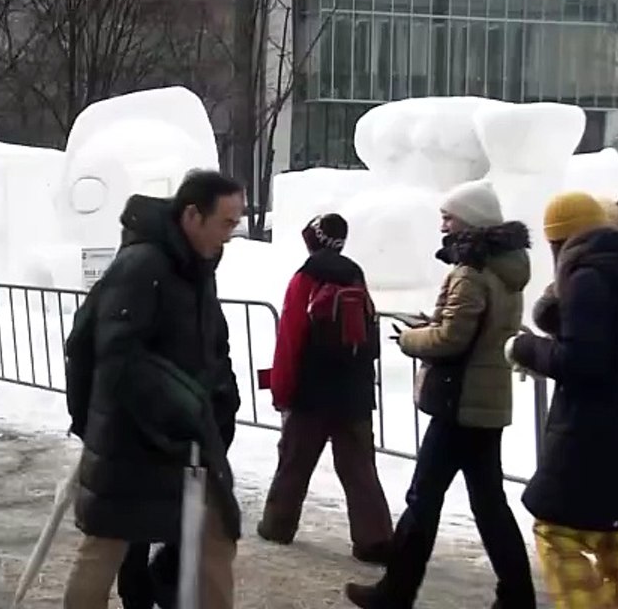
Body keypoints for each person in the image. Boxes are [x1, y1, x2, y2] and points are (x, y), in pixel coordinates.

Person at [346, 178, 536, 609]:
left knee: (423, 498)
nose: (443, 227)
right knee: (488, 504)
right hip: (484, 401)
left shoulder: (471, 271)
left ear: (469, 222)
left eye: (448, 218)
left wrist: (412, 339)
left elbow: (452, 338)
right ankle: (517, 595)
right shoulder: (507, 267)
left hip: (459, 400)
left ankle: (395, 593)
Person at [63, 170, 244, 609]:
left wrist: (223, 393)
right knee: (107, 544)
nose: (231, 234)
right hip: (134, 435)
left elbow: (211, 345)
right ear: (192, 216)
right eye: (225, 222)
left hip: (187, 437)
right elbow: (115, 355)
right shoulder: (142, 265)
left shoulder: (198, 269)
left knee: (216, 537)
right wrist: (180, 402)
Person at [506, 192, 618, 608]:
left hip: (589, 442)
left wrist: (526, 349)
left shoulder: (589, 278)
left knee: (557, 534)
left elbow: (583, 360)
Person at [257, 213, 392, 563]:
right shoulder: (355, 275)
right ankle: (374, 539)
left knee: (294, 462)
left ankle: (277, 525)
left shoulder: (305, 277)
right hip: (354, 392)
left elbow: (290, 337)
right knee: (360, 468)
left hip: (311, 392)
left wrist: (282, 390)